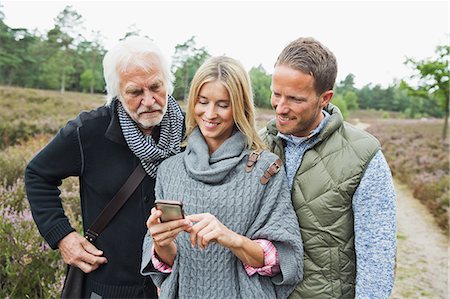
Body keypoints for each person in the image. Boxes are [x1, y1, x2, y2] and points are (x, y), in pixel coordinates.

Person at [24, 36, 184, 298]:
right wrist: (62, 235)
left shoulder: (189, 133)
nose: (149, 100)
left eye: (156, 87)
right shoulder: (89, 131)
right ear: (117, 93)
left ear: (168, 83)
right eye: (134, 92)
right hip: (108, 288)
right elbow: (38, 174)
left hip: (172, 288)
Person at [140, 56, 304, 298]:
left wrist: (231, 238)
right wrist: (161, 243)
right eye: (202, 101)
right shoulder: (170, 169)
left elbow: (285, 259)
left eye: (223, 105)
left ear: (240, 107)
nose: (210, 113)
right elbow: (169, 265)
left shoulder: (265, 170)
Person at [259, 37, 397, 298]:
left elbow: (377, 254)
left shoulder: (363, 155)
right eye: (276, 94)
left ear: (325, 98)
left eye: (295, 99)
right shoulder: (257, 145)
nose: (280, 107)